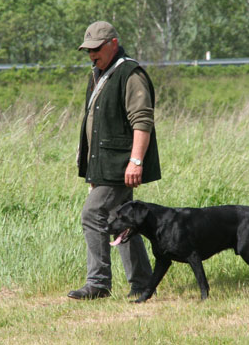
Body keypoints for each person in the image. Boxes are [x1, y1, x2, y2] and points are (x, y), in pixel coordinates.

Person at [68, 21, 161, 300]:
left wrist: (135, 161)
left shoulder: (129, 73)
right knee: (121, 220)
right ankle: (144, 283)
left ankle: (98, 284)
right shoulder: (99, 73)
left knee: (92, 213)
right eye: (88, 50)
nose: (92, 55)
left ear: (113, 43)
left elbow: (142, 120)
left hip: (121, 164)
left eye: (96, 49)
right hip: (105, 163)